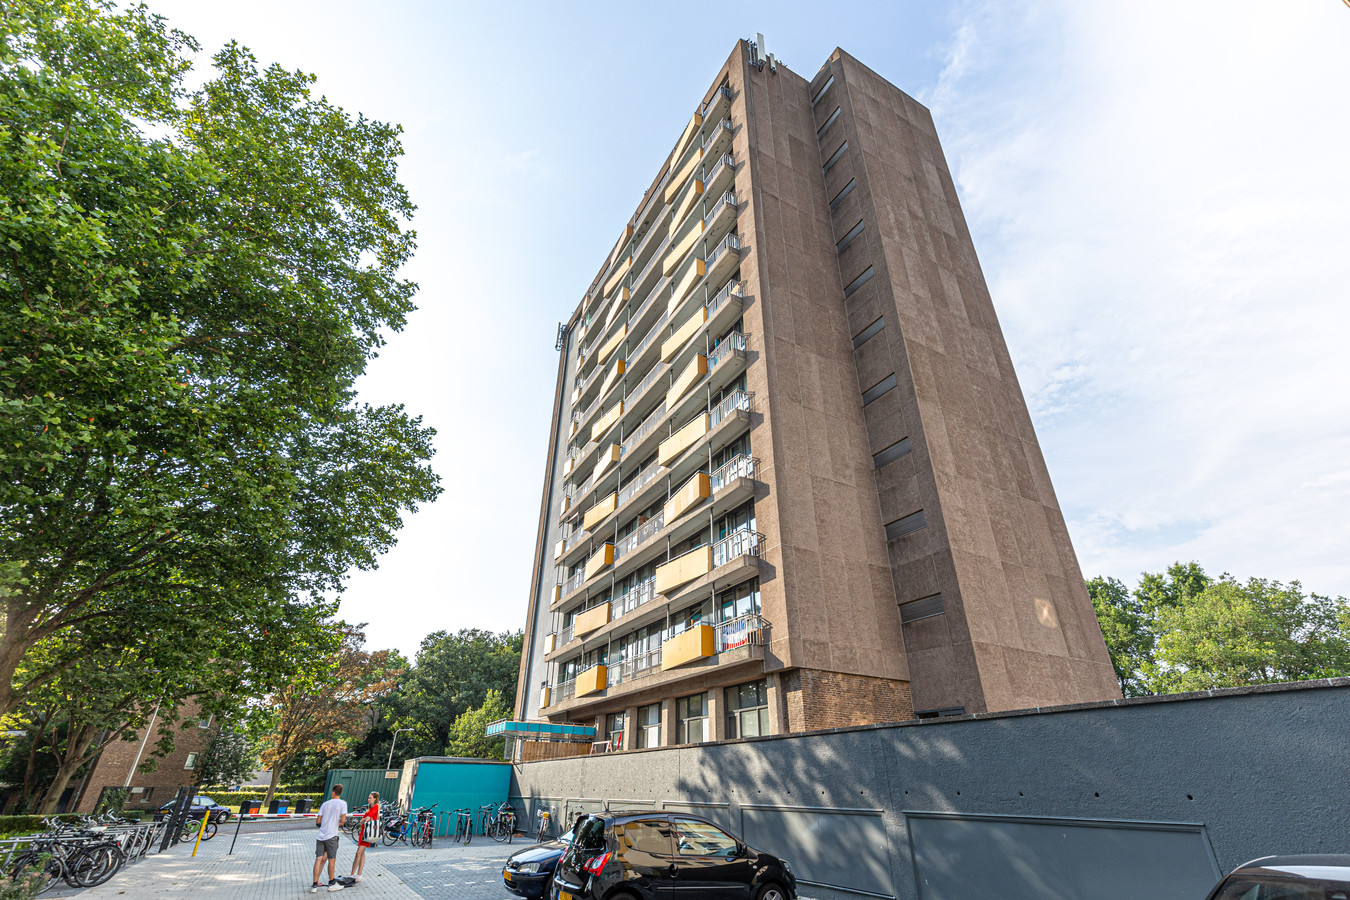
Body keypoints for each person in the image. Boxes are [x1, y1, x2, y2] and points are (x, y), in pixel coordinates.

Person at [312, 784, 348, 893]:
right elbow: (342, 821)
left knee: (319, 859)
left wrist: (325, 823)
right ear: (340, 793)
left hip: (321, 836)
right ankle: (332, 883)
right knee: (331, 860)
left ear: (333, 792)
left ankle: (314, 884)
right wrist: (335, 823)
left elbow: (318, 821)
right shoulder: (343, 804)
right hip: (332, 836)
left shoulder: (325, 804)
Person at [350, 791, 380, 883]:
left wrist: (362, 820)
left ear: (375, 799)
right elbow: (365, 820)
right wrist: (364, 820)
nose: (368, 799)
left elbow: (366, 819)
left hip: (367, 833)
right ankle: (359, 874)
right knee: (362, 853)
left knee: (358, 853)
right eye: (368, 797)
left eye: (370, 798)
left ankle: (352, 874)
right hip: (364, 832)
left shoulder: (375, 806)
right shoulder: (370, 808)